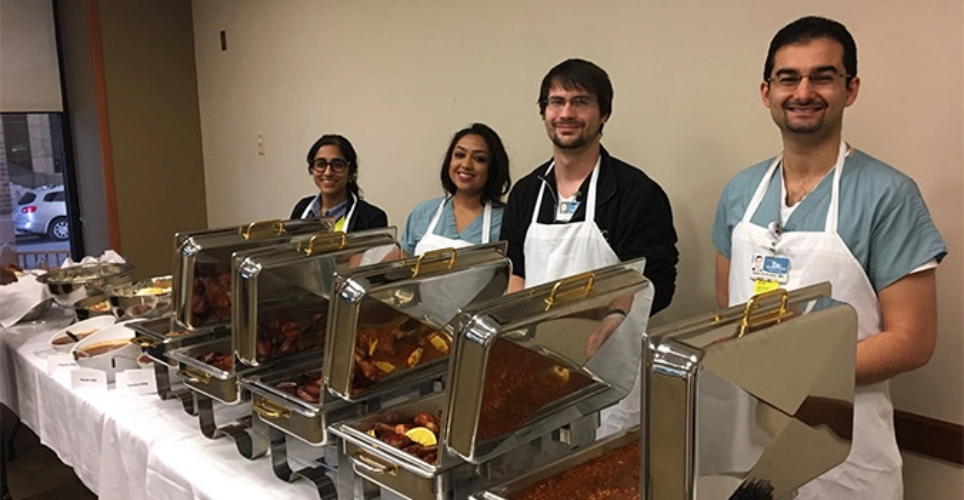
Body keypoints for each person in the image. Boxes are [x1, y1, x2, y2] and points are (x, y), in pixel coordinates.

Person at [712, 16, 946, 500]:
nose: (803, 91)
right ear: (766, 92)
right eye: (788, 78)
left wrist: (794, 371)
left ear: (850, 88)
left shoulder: (888, 196)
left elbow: (912, 340)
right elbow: (727, 310)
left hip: (846, 457)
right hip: (748, 444)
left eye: (822, 76)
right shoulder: (740, 193)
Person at [500, 58, 679, 436]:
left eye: (581, 101)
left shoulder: (636, 193)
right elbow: (516, 272)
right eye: (556, 102)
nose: (566, 112)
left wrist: (609, 320)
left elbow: (656, 281)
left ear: (604, 114)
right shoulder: (527, 193)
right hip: (538, 366)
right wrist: (510, 340)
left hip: (611, 373)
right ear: (544, 112)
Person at [400, 123, 511, 256]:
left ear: (493, 168)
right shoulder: (424, 212)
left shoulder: (506, 220)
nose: (466, 165)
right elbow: (402, 267)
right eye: (459, 155)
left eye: (479, 159)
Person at [291, 134, 388, 232]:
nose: (328, 172)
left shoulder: (372, 218)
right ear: (311, 169)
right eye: (321, 164)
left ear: (350, 171)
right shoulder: (302, 209)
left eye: (338, 165)